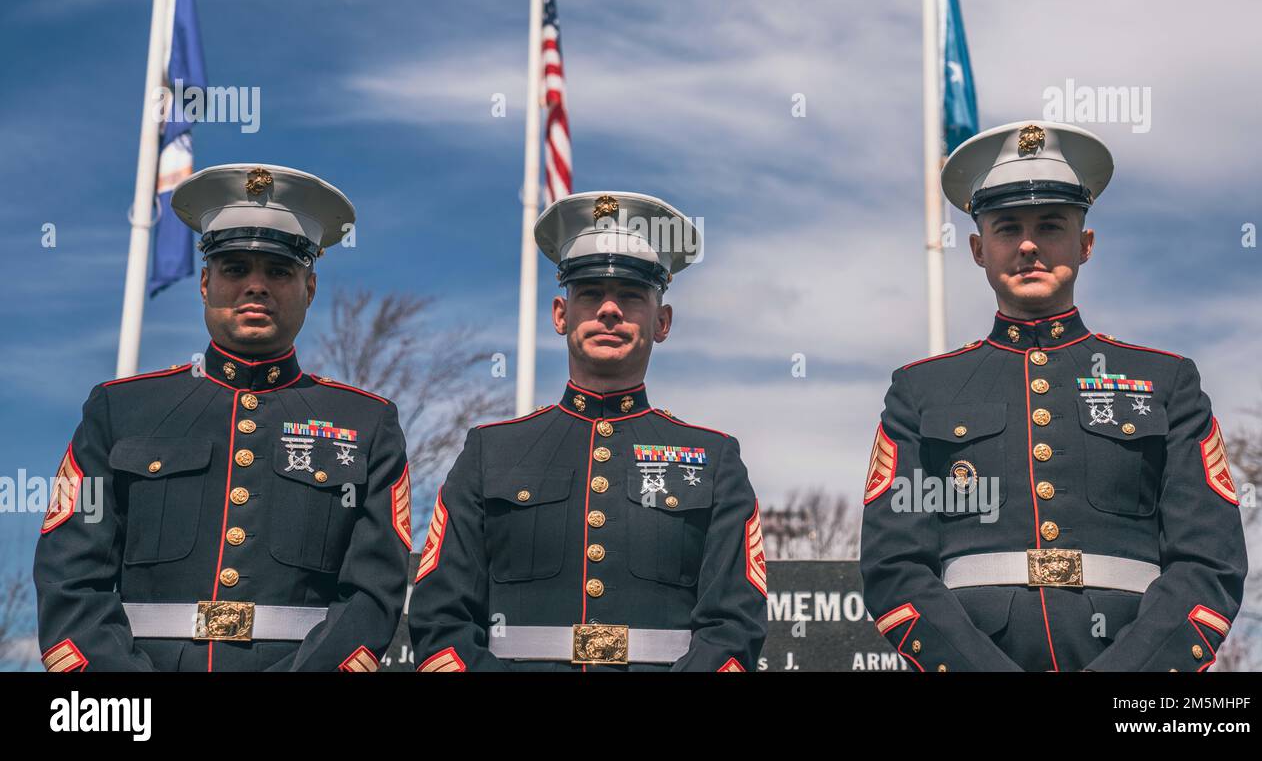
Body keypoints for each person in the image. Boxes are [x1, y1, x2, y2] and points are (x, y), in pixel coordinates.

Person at [859, 122, 1247, 672]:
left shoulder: (1167, 382)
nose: (1027, 245)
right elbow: (895, 567)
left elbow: (1208, 564)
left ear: (1086, 244)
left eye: (1050, 226)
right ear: (976, 249)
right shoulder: (920, 391)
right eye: (1006, 227)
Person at [34, 164, 411, 671]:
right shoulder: (119, 411)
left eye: (279, 271)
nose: (256, 286)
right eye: (235, 269)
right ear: (206, 283)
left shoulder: (368, 425)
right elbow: (71, 578)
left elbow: (372, 594)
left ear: (311, 288)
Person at [408, 191, 767, 671]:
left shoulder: (715, 459)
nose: (610, 310)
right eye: (592, 293)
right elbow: (441, 618)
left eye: (632, 296)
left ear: (662, 322)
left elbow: (734, 625)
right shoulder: (490, 451)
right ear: (561, 315)